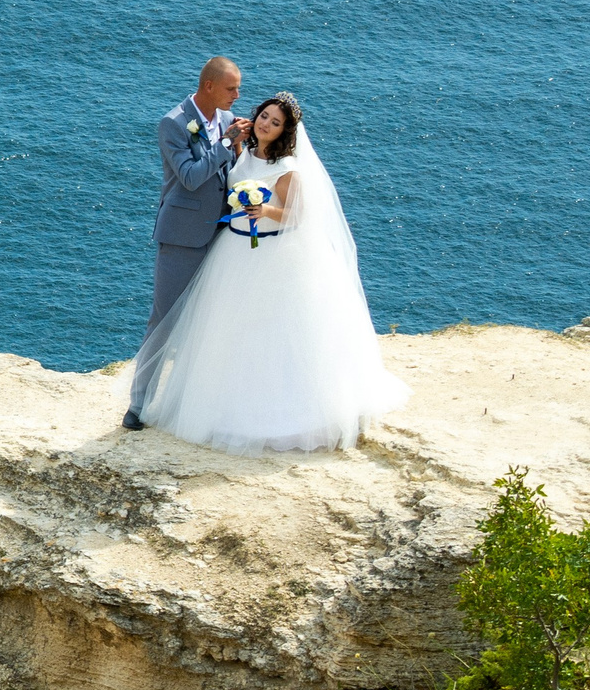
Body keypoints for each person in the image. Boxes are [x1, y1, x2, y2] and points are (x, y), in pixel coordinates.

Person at [128, 92, 409, 453]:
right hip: (233, 251)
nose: (266, 124)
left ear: (285, 132)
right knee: (228, 329)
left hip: (271, 254)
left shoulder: (287, 168)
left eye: (275, 123)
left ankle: (273, 415)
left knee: (269, 332)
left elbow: (299, 215)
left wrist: (267, 212)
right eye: (264, 116)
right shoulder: (241, 152)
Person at [122, 57, 247, 431]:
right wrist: (226, 145)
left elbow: (231, 174)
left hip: (223, 233)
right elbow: (191, 177)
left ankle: (197, 405)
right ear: (209, 86)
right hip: (182, 236)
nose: (237, 96)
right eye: (231, 89)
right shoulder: (173, 123)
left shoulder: (227, 121)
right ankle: (138, 407)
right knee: (163, 321)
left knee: (214, 322)